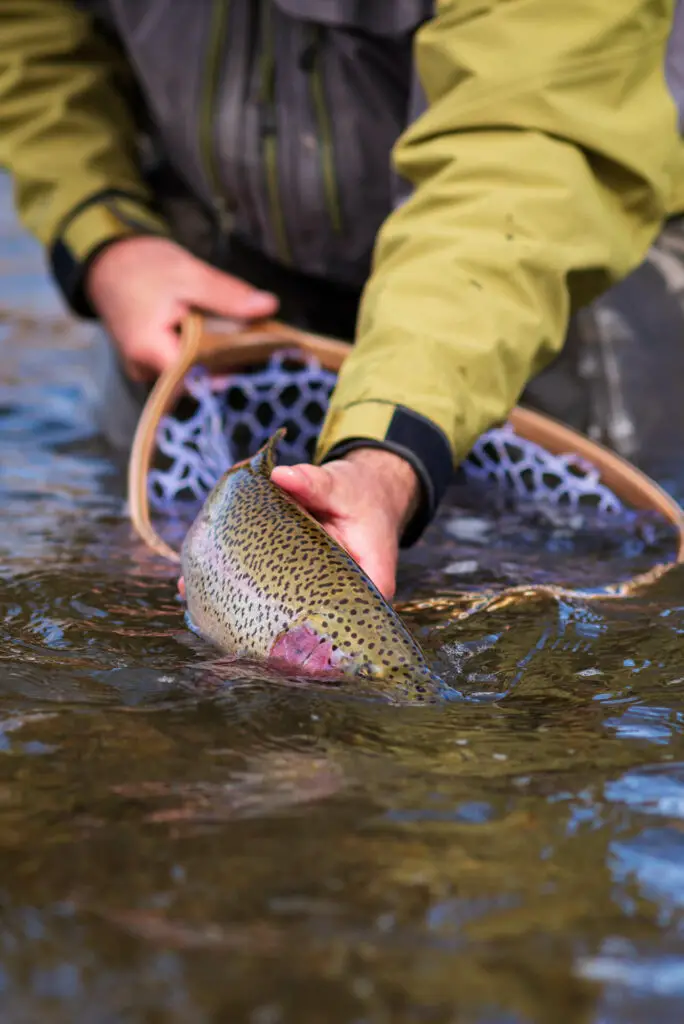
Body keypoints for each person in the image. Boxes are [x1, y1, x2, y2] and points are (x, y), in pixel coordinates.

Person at [1, 1, 684, 601]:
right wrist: (104, 237)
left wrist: (386, 465)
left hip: (548, 249)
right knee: (141, 582)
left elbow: (525, 150)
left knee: (591, 587)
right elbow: (31, 37)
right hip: (204, 259)